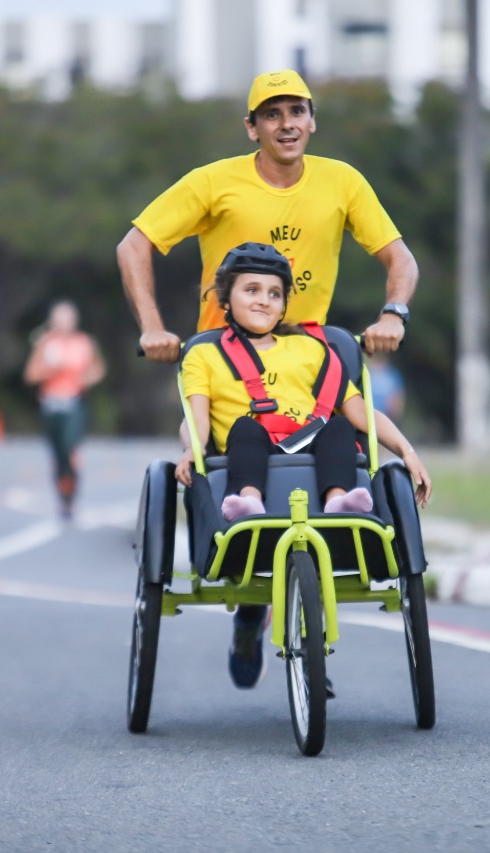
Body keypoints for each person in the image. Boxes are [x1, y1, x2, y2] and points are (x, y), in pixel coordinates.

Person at [177, 243, 431, 689]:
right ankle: (248, 504)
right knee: (245, 427)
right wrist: (190, 451)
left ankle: (339, 503)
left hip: (311, 450)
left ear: (284, 303)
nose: (263, 300)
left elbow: (360, 412)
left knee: (337, 428)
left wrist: (406, 451)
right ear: (226, 298)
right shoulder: (204, 354)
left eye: (274, 293)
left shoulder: (311, 350)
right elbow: (196, 419)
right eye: (251, 290)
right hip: (245, 452)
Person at [117, 68, 419, 363]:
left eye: (297, 111)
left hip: (306, 364)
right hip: (224, 363)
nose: (287, 124)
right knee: (194, 418)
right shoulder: (211, 182)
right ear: (252, 128)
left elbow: (401, 259)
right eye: (272, 115)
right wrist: (152, 328)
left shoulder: (344, 182)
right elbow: (133, 245)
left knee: (374, 417)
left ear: (312, 121)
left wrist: (393, 316)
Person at [23, 301, 105, 520]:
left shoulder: (84, 342)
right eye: (59, 320)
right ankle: (62, 496)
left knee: (71, 449)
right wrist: (51, 369)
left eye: (67, 319)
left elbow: (97, 369)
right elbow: (31, 374)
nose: (63, 324)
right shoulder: (46, 343)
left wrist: (87, 379)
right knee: (57, 454)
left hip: (75, 403)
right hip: (51, 404)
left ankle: (72, 496)